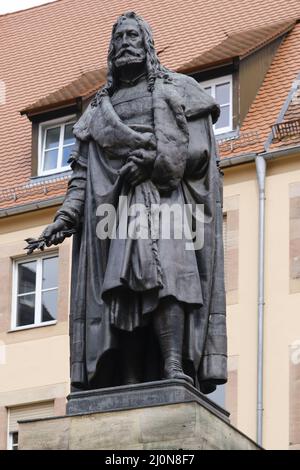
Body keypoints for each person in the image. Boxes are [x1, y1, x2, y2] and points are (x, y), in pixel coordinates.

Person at [37, 11, 227, 393]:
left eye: (132, 37)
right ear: (111, 49)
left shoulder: (178, 89)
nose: (125, 43)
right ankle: (127, 379)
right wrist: (64, 217)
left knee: (170, 279)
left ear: (147, 45)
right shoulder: (97, 110)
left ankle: (173, 364)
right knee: (121, 289)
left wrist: (155, 162)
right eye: (118, 38)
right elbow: (82, 177)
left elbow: (200, 151)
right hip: (116, 212)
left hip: (168, 201)